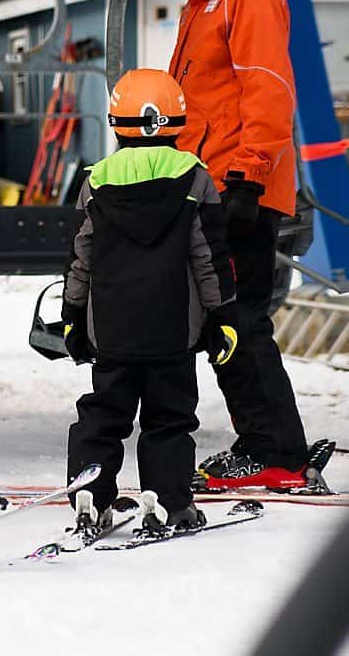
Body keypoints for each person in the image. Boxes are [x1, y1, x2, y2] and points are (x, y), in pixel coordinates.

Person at [168, 0, 322, 490]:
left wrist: (247, 176)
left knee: (240, 317)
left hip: (240, 186)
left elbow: (267, 88)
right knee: (224, 319)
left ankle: (275, 449)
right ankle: (267, 442)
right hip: (208, 184)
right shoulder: (203, 2)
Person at [62, 68, 239, 533]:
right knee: (169, 418)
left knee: (103, 413)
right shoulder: (196, 181)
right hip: (173, 331)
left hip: (112, 330)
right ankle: (172, 502)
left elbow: (82, 259)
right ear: (177, 122)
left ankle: (89, 495)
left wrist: (72, 316)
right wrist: (223, 317)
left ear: (117, 123)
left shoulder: (96, 181)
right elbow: (209, 260)